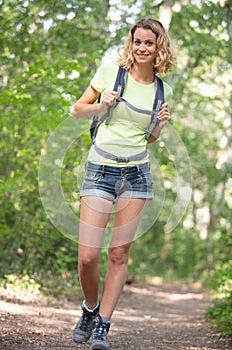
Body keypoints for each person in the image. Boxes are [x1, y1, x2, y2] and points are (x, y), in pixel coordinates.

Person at [72, 18, 177, 350]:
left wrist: (159, 127)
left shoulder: (164, 90)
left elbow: (147, 140)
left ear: (160, 47)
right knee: (88, 256)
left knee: (118, 253)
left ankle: (103, 324)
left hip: (137, 175)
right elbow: (77, 110)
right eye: (138, 42)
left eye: (150, 42)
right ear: (130, 44)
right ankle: (90, 309)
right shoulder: (110, 73)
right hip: (100, 170)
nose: (143, 48)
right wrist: (103, 103)